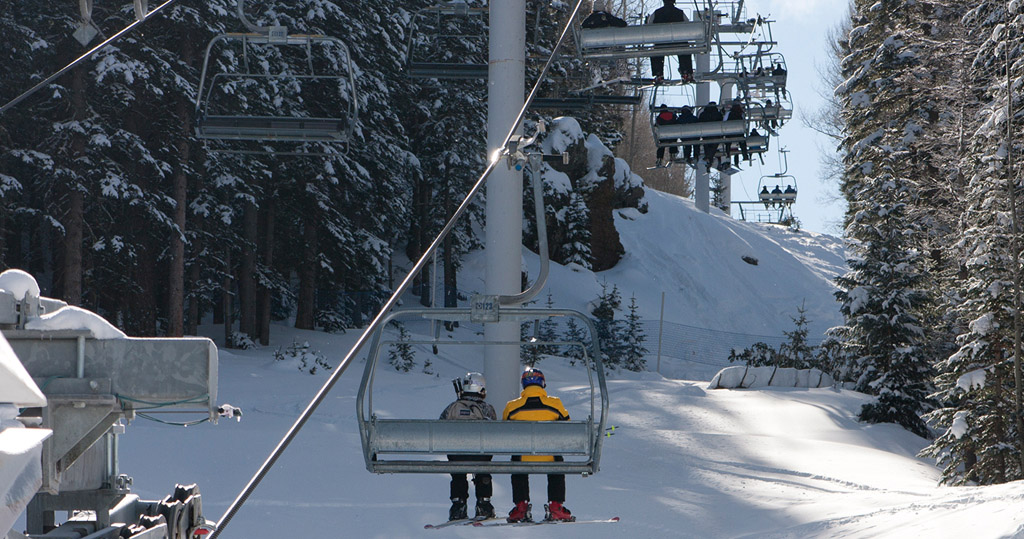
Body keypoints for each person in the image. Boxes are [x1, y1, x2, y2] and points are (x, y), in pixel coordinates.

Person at [504, 368, 574, 523]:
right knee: (557, 461)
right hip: (550, 456)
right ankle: (556, 506)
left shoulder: (512, 406)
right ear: (542, 383)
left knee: (517, 460)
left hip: (523, 457)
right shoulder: (554, 403)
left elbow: (505, 430)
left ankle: (521, 507)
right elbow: (567, 427)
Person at [440, 372, 497, 521]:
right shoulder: (487, 409)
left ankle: (458, 505)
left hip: (457, 455)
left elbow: (440, 427)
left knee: (458, 472)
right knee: (483, 470)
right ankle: (483, 504)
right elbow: (495, 433)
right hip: (481, 455)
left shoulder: (452, 407)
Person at [646, 0, 693, 82]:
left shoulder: (657, 13)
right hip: (679, 42)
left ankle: (658, 74)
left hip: (661, 42)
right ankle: (686, 72)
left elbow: (650, 26)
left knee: (655, 52)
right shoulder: (680, 13)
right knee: (685, 49)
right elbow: (688, 25)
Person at [697, 101, 723, 172]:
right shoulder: (718, 114)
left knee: (707, 146)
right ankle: (709, 160)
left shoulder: (703, 114)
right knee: (713, 148)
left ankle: (709, 160)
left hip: (706, 133)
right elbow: (721, 122)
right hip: (716, 134)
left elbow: (699, 122)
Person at [724, 101, 749, 166]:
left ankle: (728, 155)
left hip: (730, 133)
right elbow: (744, 123)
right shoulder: (741, 114)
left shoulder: (729, 113)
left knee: (727, 143)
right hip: (739, 133)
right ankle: (745, 155)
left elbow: (724, 121)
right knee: (742, 142)